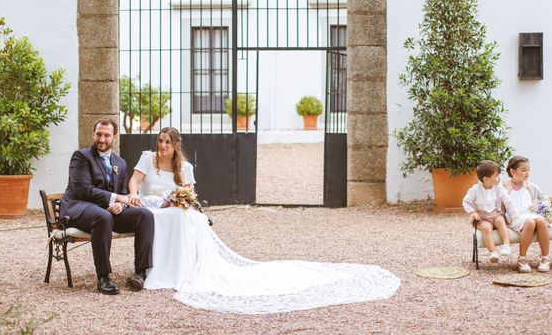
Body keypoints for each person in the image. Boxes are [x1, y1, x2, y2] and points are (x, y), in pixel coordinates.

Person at [128, 127, 400, 314]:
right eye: (159, 140)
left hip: (173, 210)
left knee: (177, 215)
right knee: (156, 216)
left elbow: (188, 195)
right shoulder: (147, 159)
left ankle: (176, 270)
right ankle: (150, 269)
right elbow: (135, 180)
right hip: (150, 206)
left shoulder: (184, 167)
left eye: (166, 142)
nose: (161, 145)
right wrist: (133, 195)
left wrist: (177, 200)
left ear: (175, 145)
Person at [60, 119, 155, 294]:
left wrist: (120, 205)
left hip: (108, 212)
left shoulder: (120, 162)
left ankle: (140, 273)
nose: (102, 139)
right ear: (93, 134)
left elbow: (121, 194)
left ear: (114, 137)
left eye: (106, 135)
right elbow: (83, 190)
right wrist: (118, 198)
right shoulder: (81, 156)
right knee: (102, 217)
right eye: (98, 134)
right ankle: (103, 278)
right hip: (79, 208)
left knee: (145, 215)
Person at [503, 155, 551, 273]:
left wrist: (538, 207)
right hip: (515, 218)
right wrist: (504, 219)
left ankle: (545, 258)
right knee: (529, 222)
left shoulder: (531, 186)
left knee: (541, 221)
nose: (527, 173)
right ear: (512, 171)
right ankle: (522, 259)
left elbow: (545, 200)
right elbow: (499, 207)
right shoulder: (505, 187)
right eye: (523, 170)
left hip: (530, 214)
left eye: (528, 169)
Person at [463, 160, 517, 263]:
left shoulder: (499, 187)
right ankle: (493, 252)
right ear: (486, 179)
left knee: (500, 221)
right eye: (496, 176)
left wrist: (514, 215)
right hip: (482, 217)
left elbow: (508, 201)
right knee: (486, 228)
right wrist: (473, 212)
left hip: (495, 214)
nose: (499, 178)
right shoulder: (475, 189)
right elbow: (466, 202)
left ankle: (506, 245)